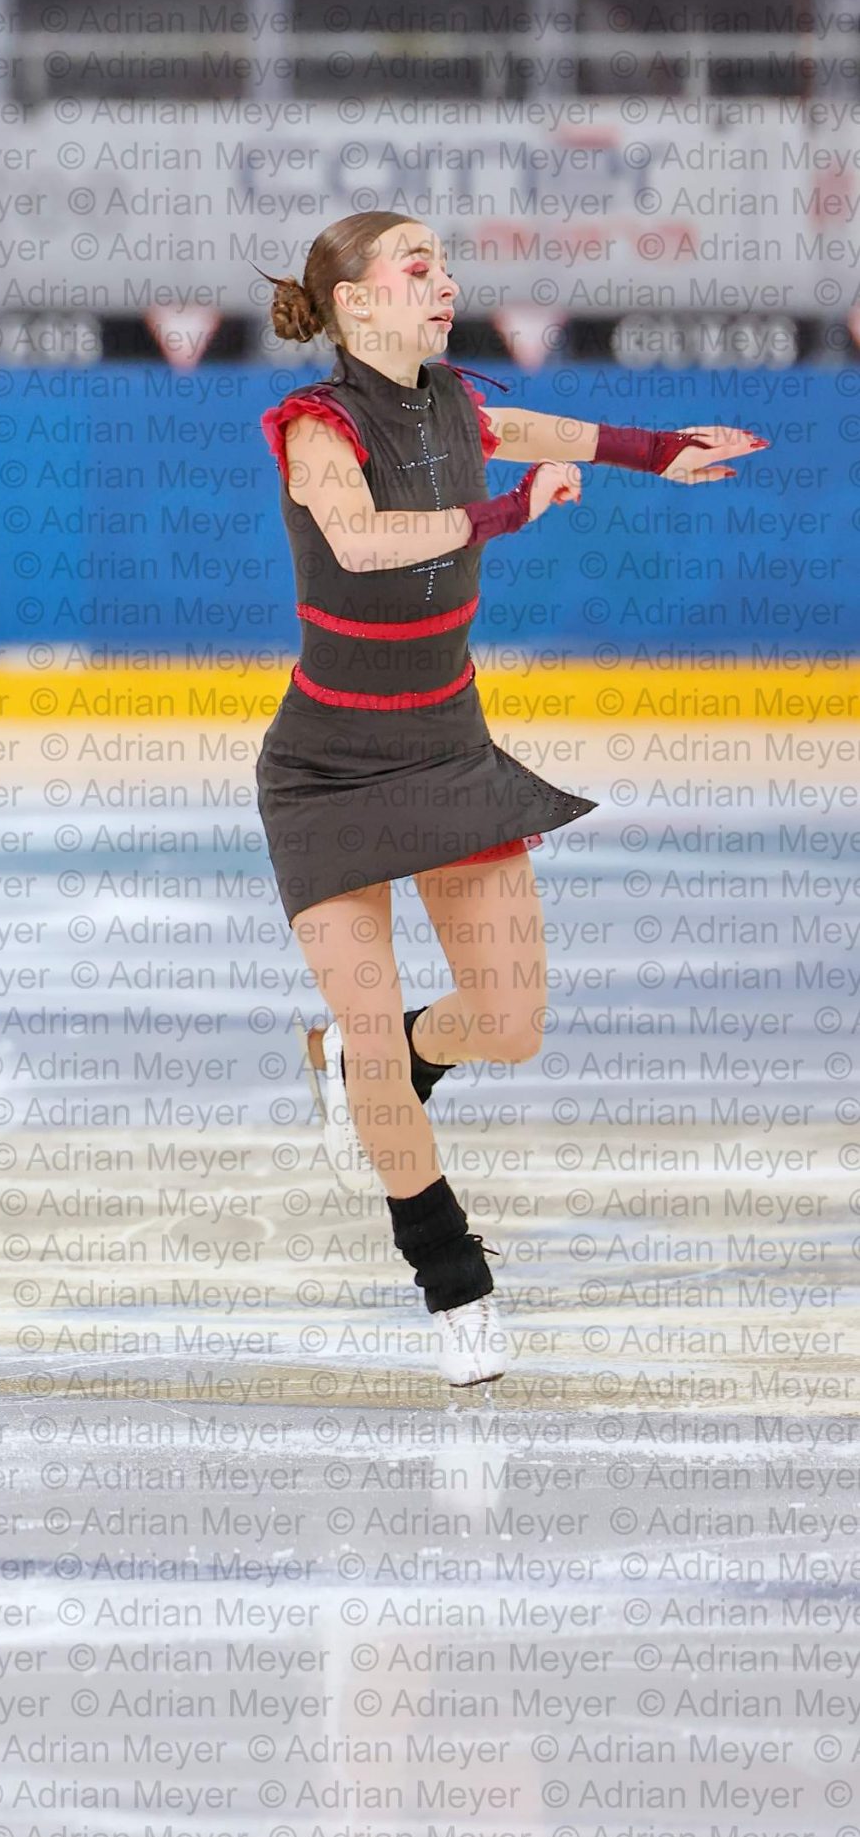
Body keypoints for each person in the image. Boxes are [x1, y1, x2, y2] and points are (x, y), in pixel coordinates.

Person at [256, 210, 766, 1386]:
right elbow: (360, 541)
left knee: (512, 1022)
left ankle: (374, 1057)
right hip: (327, 772)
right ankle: (453, 1283)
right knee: (372, 1032)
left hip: (447, 749)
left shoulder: (457, 405)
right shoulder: (316, 427)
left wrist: (658, 450)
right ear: (353, 303)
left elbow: (549, 430)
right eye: (417, 267)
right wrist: (509, 511)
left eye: (446, 264)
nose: (445, 282)